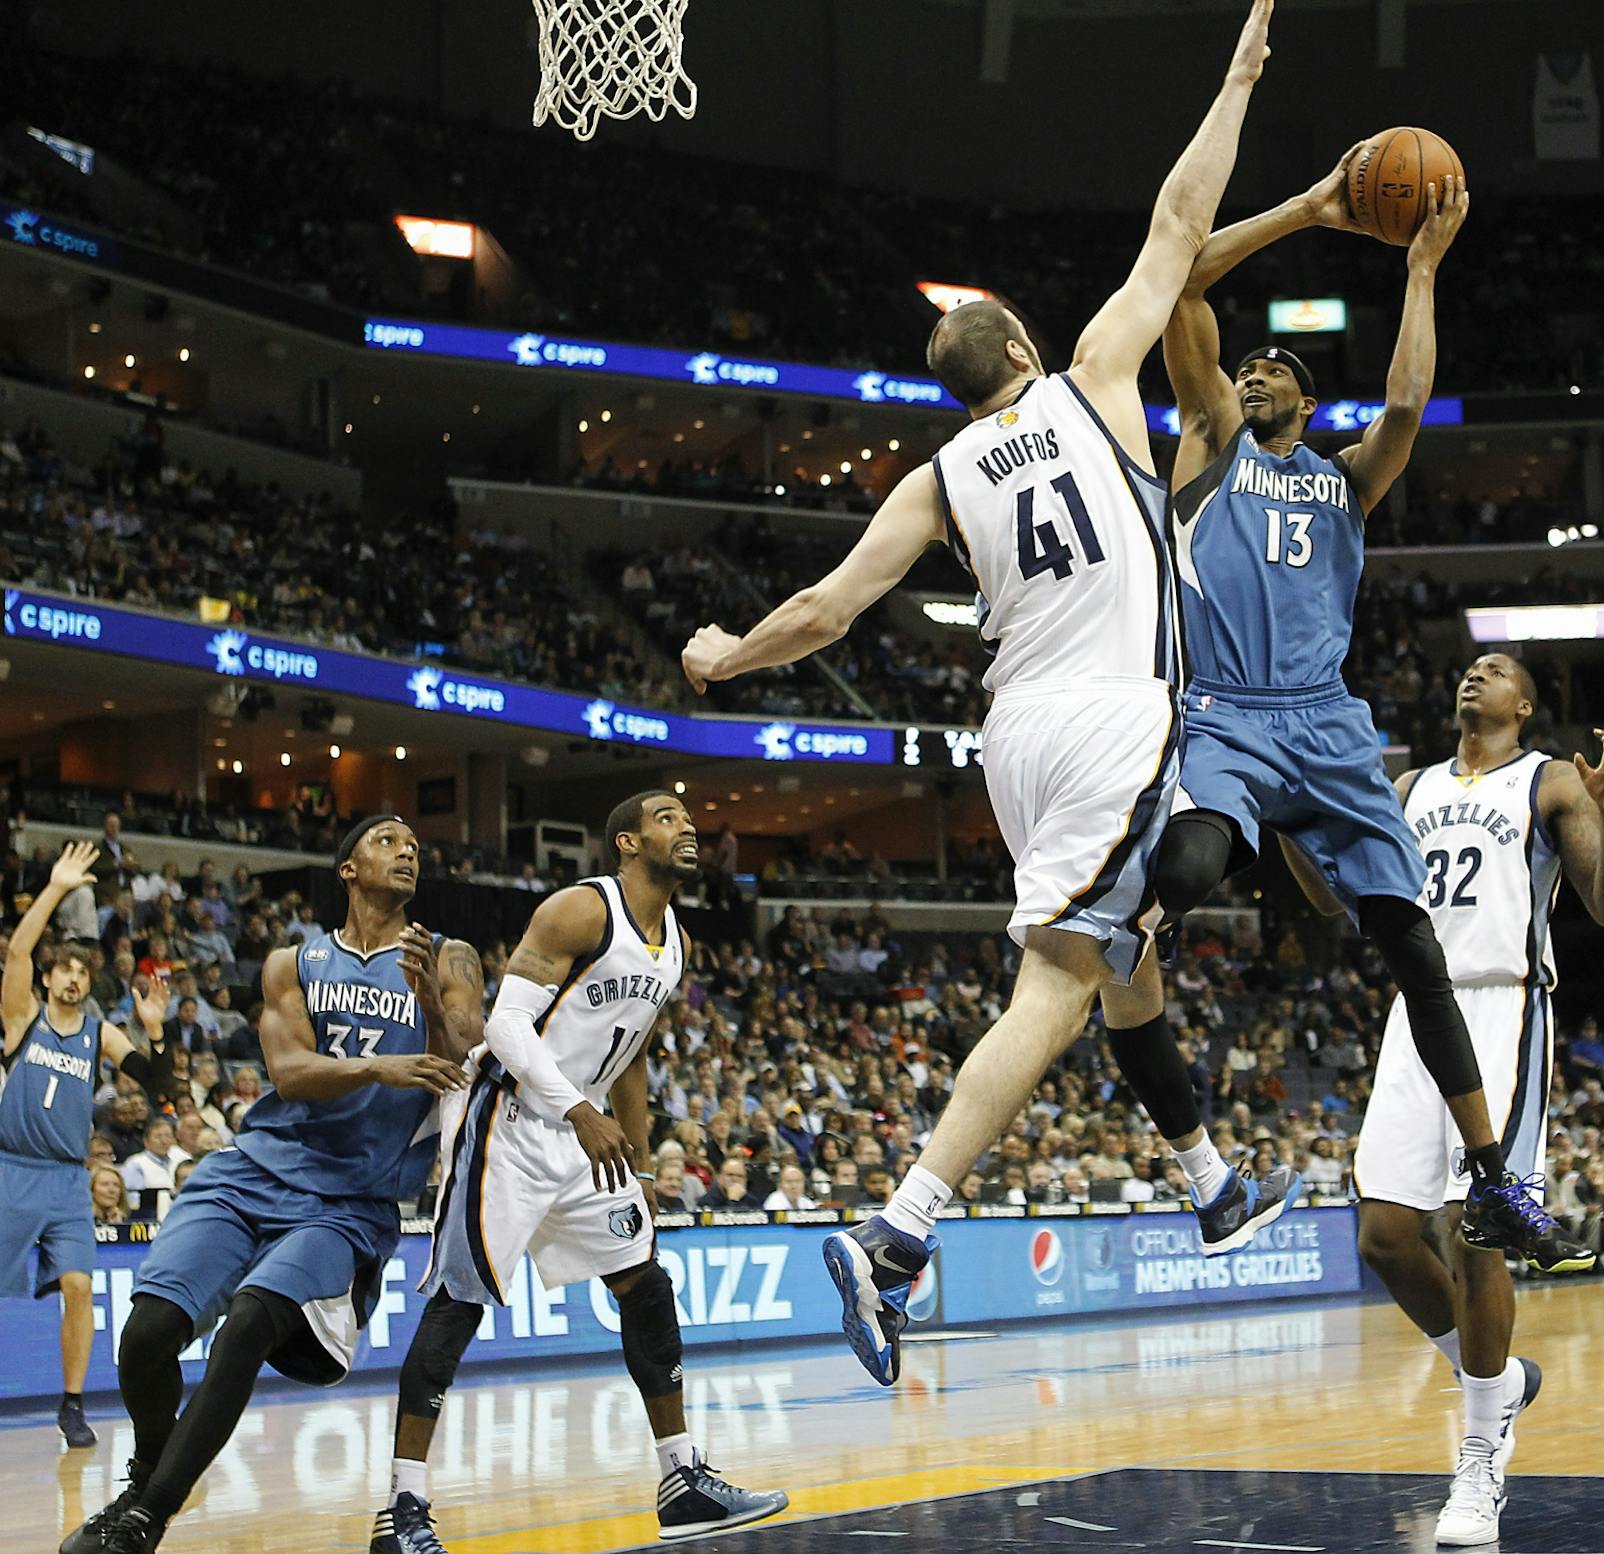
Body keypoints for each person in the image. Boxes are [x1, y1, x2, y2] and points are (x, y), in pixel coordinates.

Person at [680, 0, 1286, 1387]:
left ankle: (1206, 1178)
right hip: (1114, 716)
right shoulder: (1089, 379)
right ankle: (897, 1231)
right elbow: (1179, 221)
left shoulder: (935, 475)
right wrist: (1238, 77)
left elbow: (828, 609)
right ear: (1019, 344)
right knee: (1068, 977)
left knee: (1119, 956)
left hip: (1014, 736)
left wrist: (721, 657)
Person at [1141, 143, 1580, 1285]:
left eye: (1275, 368)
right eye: (1245, 365)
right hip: (1230, 710)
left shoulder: (1345, 477)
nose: (1253, 373)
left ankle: (1493, 1178)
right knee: (1191, 857)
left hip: (1330, 725)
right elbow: (1183, 278)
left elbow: (1406, 398)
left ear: (1306, 399)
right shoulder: (1207, 442)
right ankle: (1146, 923)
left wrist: (1421, 267)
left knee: (1409, 943)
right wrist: (1310, 208)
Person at [374, 793, 785, 1553]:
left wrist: (638, 1156)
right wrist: (578, 1114)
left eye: (687, 817)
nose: (687, 825)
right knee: (457, 1307)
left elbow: (631, 1057)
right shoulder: (579, 910)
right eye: (667, 817)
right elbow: (503, 1026)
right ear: (626, 842)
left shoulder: (677, 943)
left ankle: (682, 1478)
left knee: (646, 1284)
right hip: (514, 1124)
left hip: (585, 1138)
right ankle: (402, 1510)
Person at [62, 817, 485, 1554]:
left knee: (250, 1323)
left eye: (416, 842)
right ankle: (150, 1473)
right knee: (146, 1336)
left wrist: (425, 1004)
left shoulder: (447, 958)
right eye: (387, 840)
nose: (408, 848)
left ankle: (144, 1519)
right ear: (348, 869)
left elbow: (460, 1062)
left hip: (348, 1201)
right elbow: (289, 1075)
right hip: (254, 1169)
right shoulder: (294, 961)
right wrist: (379, 1067)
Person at [1338, 656, 1604, 1541]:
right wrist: (1296, 817)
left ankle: (1479, 1460)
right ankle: (1495, 1379)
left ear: (1527, 704)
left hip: (1502, 1003)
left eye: (1496, 671)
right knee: (1385, 1237)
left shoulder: (1545, 779)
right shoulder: (1409, 787)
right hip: (1415, 1006)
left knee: (1480, 1228)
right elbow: (1345, 896)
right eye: (1467, 668)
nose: (1475, 676)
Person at [2, 841, 170, 1449]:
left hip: (68, 1178)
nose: (74, 976)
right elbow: (19, 948)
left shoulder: (100, 1032)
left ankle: (71, 1405)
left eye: (83, 971)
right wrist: (55, 889)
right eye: (65, 969)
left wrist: (157, 1032)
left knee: (79, 1287)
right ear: (48, 980)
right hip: (11, 1168)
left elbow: (158, 1081)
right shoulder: (23, 1019)